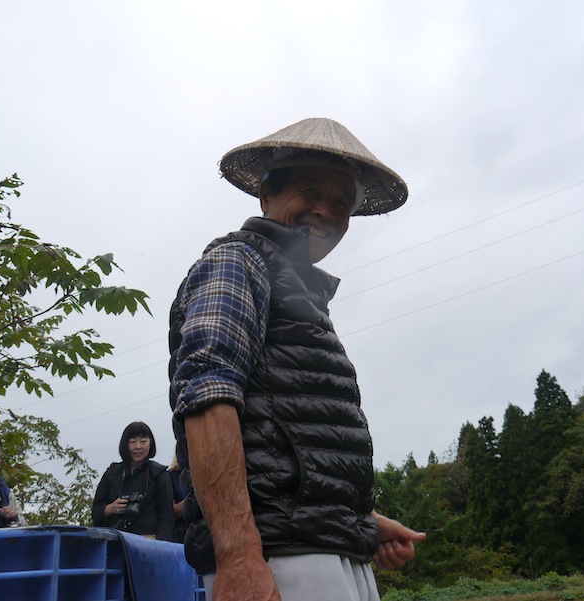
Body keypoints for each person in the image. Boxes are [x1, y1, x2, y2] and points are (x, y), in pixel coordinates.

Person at [168, 118, 426, 601]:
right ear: (266, 194)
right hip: (276, 557)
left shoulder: (298, 292)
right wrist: (238, 555)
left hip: (318, 552)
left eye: (341, 203)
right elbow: (207, 397)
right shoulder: (238, 262)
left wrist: (359, 520)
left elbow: (284, 447)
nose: (325, 210)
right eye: (311, 191)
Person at [91, 421, 175, 540]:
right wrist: (110, 508)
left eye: (143, 441)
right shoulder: (113, 473)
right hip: (115, 541)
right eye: (133, 442)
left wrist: (160, 545)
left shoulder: (159, 474)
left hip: (148, 542)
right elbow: (95, 510)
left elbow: (167, 518)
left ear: (150, 443)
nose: (138, 446)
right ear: (125, 445)